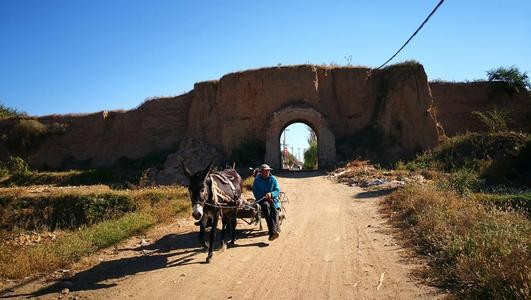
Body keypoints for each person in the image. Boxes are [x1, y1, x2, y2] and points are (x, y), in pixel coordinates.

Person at [252, 163, 281, 241]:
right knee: (266, 206)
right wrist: (263, 197)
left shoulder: (273, 179)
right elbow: (255, 191)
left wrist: (271, 194)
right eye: (265, 171)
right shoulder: (257, 180)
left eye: (268, 171)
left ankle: (273, 231)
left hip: (273, 200)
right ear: (261, 172)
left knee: (274, 210)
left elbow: (277, 190)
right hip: (262, 200)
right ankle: (272, 232)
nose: (266, 172)